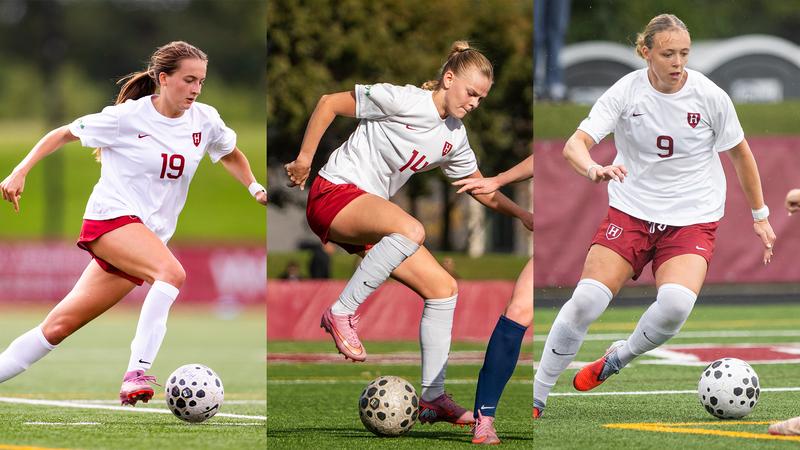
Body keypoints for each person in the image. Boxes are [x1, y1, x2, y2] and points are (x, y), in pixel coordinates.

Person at [532, 14, 776, 418]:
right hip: (631, 212)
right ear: (645, 52)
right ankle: (538, 396)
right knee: (586, 301)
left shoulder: (711, 96)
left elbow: (741, 155)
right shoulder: (625, 92)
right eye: (667, 53)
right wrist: (593, 167)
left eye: (684, 53)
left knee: (677, 304)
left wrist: (760, 215)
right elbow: (575, 145)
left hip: (692, 217)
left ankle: (618, 357)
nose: (677, 62)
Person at [0, 41, 266, 406]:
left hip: (145, 237)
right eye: (188, 80)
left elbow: (230, 153)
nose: (195, 89)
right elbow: (62, 133)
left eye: (200, 81)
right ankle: (136, 373)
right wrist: (19, 171)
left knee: (57, 327)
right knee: (171, 274)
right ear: (163, 78)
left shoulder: (205, 120)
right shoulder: (127, 117)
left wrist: (254, 186)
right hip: (110, 218)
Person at [285, 41, 532, 426]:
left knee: (444, 289)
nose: (475, 103)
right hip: (334, 192)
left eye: (482, 98)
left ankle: (433, 398)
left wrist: (522, 215)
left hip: (369, 216)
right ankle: (341, 311)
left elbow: (480, 186)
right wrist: (304, 159)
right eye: (471, 93)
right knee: (412, 228)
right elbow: (328, 103)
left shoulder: (455, 137)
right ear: (448, 79)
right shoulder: (403, 99)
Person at [453, 155, 533, 444]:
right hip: (564, 237)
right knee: (518, 311)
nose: (474, 105)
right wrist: (498, 180)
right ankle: (484, 419)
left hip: (617, 226)